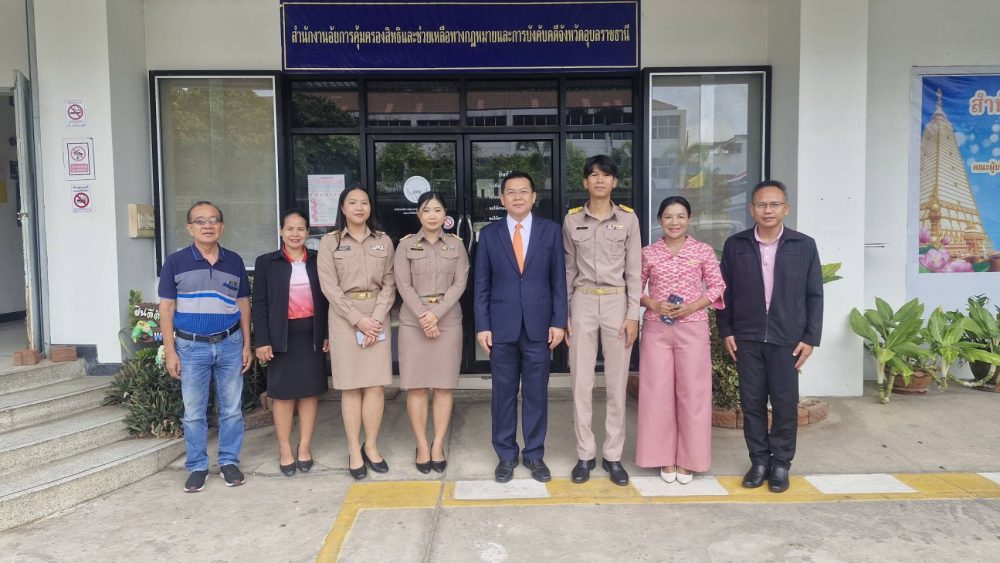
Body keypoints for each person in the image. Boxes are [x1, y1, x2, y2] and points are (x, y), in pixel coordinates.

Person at [717, 180, 823, 493]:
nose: (768, 210)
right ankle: (759, 462)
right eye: (761, 205)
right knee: (751, 404)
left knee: (785, 404)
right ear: (752, 209)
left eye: (774, 204)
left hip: (786, 340)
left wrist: (810, 338)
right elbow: (724, 293)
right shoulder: (736, 245)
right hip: (747, 338)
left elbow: (814, 295)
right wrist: (726, 330)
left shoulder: (803, 245)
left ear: (785, 208)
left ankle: (780, 464)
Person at [475, 171, 567, 484]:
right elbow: (481, 284)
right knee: (502, 394)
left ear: (533, 197)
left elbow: (558, 280)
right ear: (502, 199)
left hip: (540, 327)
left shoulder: (550, 231)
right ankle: (505, 455)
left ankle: (534, 454)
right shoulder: (489, 235)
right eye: (511, 192)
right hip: (501, 327)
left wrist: (559, 321)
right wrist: (482, 325)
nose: (517, 197)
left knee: (536, 394)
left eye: (523, 191)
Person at [158, 201, 251, 493]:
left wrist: (247, 345)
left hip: (230, 343)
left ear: (221, 226)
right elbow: (166, 309)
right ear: (190, 228)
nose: (207, 226)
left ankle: (228, 461)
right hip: (191, 347)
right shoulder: (175, 262)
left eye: (213, 220)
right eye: (200, 221)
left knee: (232, 409)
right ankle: (197, 466)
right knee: (194, 412)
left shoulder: (234, 261)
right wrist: (170, 350)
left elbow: (243, 304)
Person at [562, 155, 641, 486]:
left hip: (616, 302)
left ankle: (613, 455)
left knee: (616, 384)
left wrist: (633, 314)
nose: (599, 180)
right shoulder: (572, 221)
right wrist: (565, 314)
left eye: (605, 175)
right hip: (582, 301)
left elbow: (634, 271)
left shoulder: (628, 220)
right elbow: (568, 270)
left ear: (614, 182)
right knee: (581, 384)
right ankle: (585, 454)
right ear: (585, 182)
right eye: (593, 175)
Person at [635, 196, 725, 484]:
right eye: (668, 217)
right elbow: (634, 287)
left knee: (693, 393)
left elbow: (717, 286)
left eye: (680, 216)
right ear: (660, 220)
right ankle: (662, 457)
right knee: (656, 393)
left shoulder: (702, 251)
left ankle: (689, 460)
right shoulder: (648, 253)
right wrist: (653, 303)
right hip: (656, 329)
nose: (674, 222)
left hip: (693, 327)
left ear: (689, 219)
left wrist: (693, 306)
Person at [317, 187, 396, 480]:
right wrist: (357, 320)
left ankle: (371, 446)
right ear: (342, 207)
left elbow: (390, 282)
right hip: (344, 318)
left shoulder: (383, 241)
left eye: (364, 202)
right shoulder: (330, 242)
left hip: (377, 315)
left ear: (370, 207)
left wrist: (375, 318)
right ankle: (353, 449)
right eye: (352, 202)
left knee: (375, 386)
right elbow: (329, 287)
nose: (359, 207)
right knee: (350, 386)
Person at [394, 192, 469, 473]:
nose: (432, 215)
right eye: (427, 210)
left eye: (437, 210)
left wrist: (435, 315)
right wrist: (424, 316)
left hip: (447, 320)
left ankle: (437, 444)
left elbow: (460, 283)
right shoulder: (405, 245)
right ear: (418, 214)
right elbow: (403, 284)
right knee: (416, 386)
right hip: (414, 321)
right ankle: (421, 445)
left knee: (443, 385)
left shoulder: (456, 245)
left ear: (445, 214)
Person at [252, 209, 330, 477]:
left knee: (309, 392)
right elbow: (260, 304)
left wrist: (327, 333)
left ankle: (304, 446)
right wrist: (262, 340)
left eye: (300, 229)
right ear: (281, 231)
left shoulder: (318, 260)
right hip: (280, 337)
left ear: (308, 233)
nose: (295, 234)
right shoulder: (267, 262)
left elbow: (328, 300)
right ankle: (285, 449)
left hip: (312, 335)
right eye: (290, 229)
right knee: (283, 395)